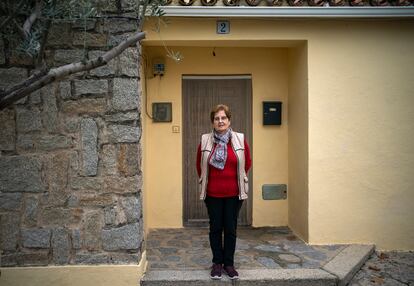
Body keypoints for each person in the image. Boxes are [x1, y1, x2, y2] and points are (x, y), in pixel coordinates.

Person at [196, 104, 251, 280]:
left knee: (231, 229)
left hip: (234, 194)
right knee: (215, 228)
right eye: (217, 118)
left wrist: (238, 179)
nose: (220, 121)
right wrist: (206, 181)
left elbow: (247, 162)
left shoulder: (239, 139)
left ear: (229, 120)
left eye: (223, 118)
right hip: (212, 194)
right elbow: (200, 164)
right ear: (213, 122)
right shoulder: (205, 140)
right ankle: (217, 263)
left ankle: (229, 264)